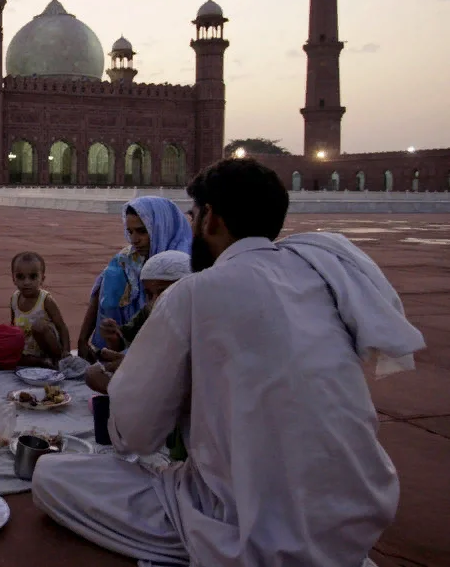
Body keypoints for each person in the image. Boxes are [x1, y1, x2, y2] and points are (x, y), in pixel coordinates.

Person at [33, 158, 425, 567]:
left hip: (249, 528)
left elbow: (134, 436)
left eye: (195, 214)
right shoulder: (319, 276)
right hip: (354, 521)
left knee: (52, 477)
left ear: (212, 218)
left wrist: (120, 382)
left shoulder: (195, 292)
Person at [78, 196, 192, 362]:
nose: (134, 239)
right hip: (128, 338)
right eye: (130, 232)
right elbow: (99, 294)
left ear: (162, 227)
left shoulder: (185, 261)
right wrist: (83, 339)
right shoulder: (127, 258)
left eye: (142, 231)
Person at [84, 250, 191, 394]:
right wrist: (114, 338)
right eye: (149, 294)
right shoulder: (149, 310)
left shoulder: (197, 317)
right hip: (150, 376)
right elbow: (126, 340)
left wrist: (140, 366)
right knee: (94, 374)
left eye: (162, 292)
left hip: (183, 385)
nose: (155, 300)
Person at [9, 251, 72, 366]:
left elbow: (62, 327)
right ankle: (43, 363)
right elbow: (12, 326)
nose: (26, 282)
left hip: (48, 348)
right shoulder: (14, 299)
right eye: (20, 277)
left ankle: (55, 360)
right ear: (13, 278)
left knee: (39, 326)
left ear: (42, 278)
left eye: (33, 277)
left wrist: (66, 352)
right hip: (27, 351)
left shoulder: (45, 300)